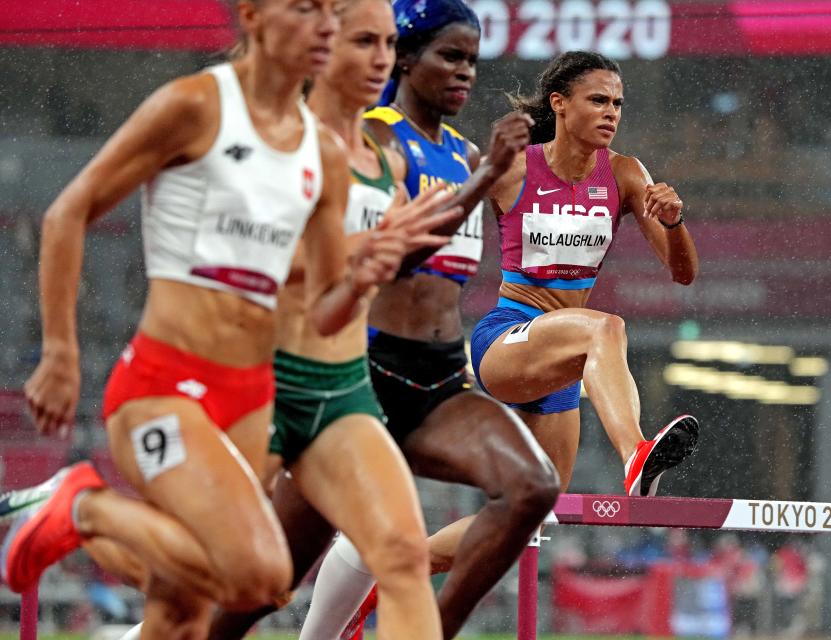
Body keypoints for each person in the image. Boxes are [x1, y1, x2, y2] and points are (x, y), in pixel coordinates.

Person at [0, 1, 452, 638]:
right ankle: (81, 503)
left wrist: (368, 267)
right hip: (164, 385)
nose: (324, 26)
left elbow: (323, 308)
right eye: (306, 10)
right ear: (252, 17)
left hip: (250, 396)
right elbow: (67, 213)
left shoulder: (321, 151)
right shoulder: (195, 105)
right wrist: (59, 352)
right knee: (257, 576)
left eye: (330, 13)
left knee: (186, 610)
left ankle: (91, 520)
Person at [208, 1, 558, 639]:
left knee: (532, 487)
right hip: (359, 380)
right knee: (263, 587)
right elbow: (389, 262)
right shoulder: (372, 137)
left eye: (473, 61)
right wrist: (483, 182)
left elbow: (450, 267)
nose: (466, 74)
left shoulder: (465, 150)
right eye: (449, 56)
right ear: (405, 57)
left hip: (439, 382)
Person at [468, 50, 701, 500]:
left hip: (563, 362)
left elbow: (683, 273)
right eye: (598, 101)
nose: (610, 113)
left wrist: (674, 222)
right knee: (606, 327)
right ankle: (636, 455)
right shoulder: (514, 167)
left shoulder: (624, 173)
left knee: (531, 510)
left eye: (617, 104)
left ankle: (405, 567)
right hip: (505, 339)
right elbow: (443, 212)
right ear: (559, 103)